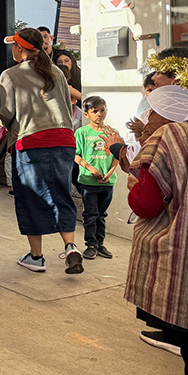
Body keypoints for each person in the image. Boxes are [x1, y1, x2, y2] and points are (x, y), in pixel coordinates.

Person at [124, 71, 188, 375]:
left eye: (150, 112)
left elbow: (148, 202)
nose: (146, 119)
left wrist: (134, 183)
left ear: (165, 114)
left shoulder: (170, 137)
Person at [0, 29, 81, 274]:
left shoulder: (10, 74)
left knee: (30, 198)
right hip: (65, 139)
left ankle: (36, 257)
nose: (12, 49)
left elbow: (7, 113)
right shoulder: (55, 70)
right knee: (61, 194)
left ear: (20, 48)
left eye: (14, 45)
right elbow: (67, 106)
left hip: (31, 141)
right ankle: (70, 247)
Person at [74, 96, 118, 261]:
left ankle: (100, 243)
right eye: (95, 111)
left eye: (102, 110)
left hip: (107, 182)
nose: (99, 114)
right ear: (86, 114)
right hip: (88, 181)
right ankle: (90, 244)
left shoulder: (112, 133)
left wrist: (111, 172)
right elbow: (76, 155)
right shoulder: (81, 133)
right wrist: (90, 168)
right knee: (90, 214)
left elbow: (117, 155)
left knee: (101, 214)